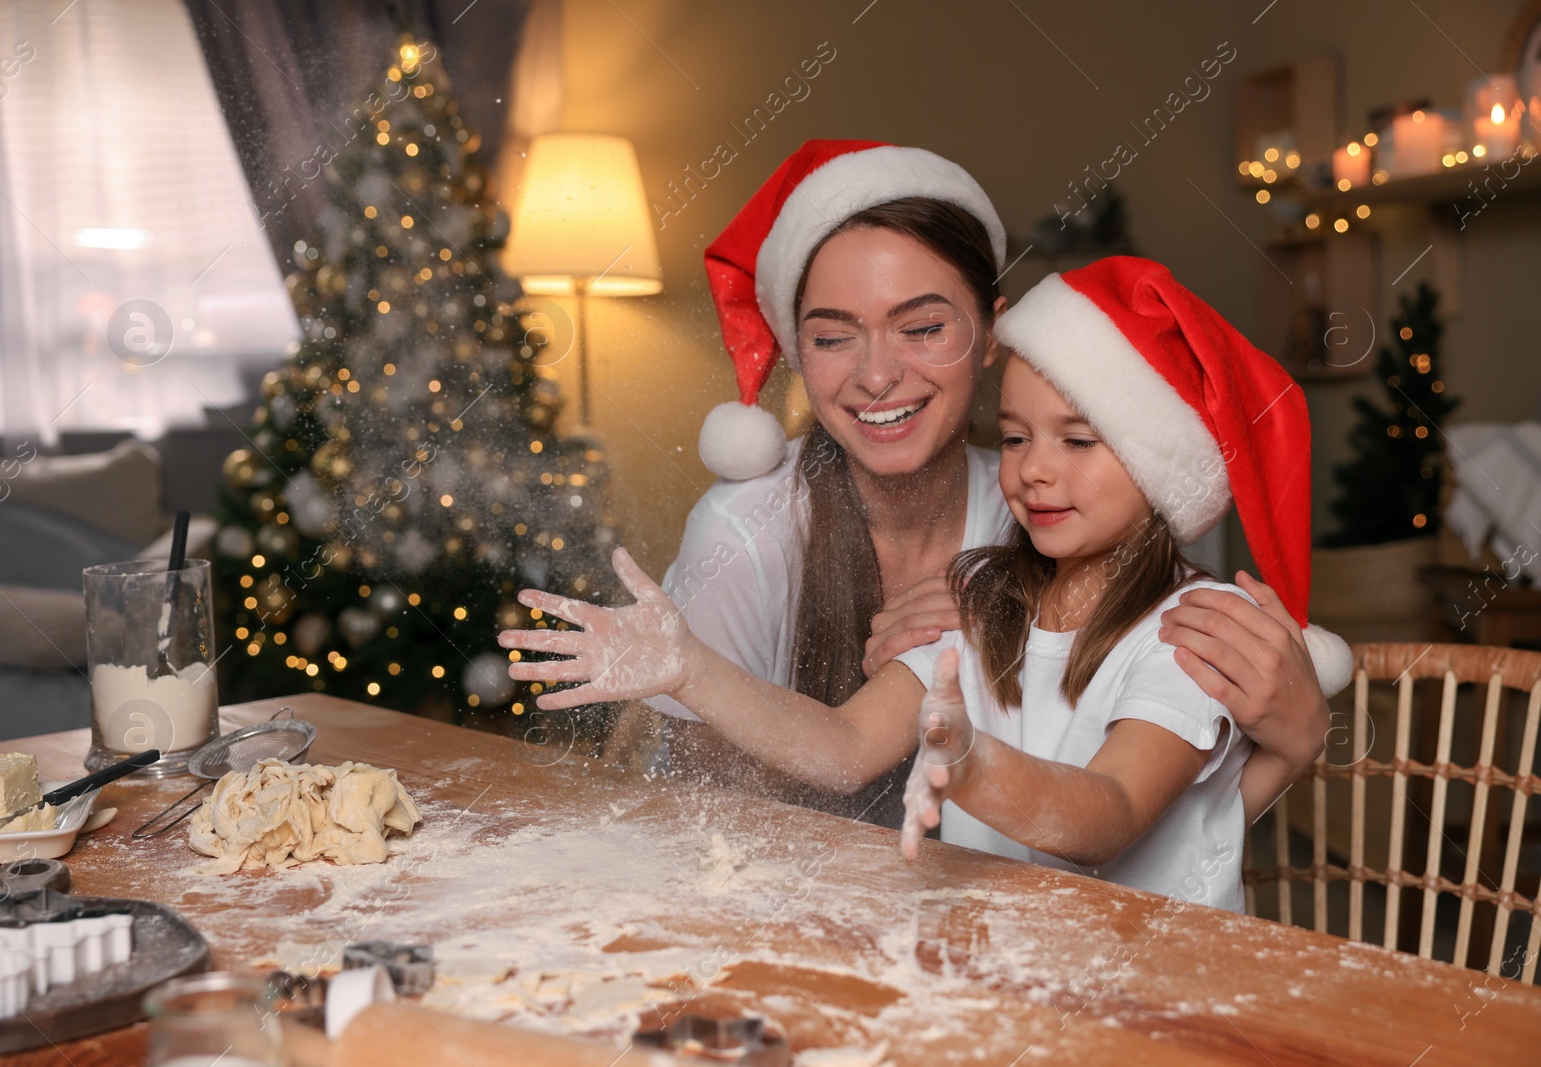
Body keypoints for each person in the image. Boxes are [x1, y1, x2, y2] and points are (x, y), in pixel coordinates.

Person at [500, 257, 1353, 911]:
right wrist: (689, 667)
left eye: (1080, 442)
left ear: (1161, 469)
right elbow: (839, 749)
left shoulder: (1198, 628)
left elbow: (1108, 815)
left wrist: (971, 763)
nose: (1035, 473)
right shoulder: (982, 594)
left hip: (1161, 989)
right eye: (1015, 439)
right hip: (1012, 968)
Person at [614, 141, 1342, 829]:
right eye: (833, 336)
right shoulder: (746, 535)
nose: (876, 375)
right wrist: (906, 729)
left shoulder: (1045, 527)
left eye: (922, 327)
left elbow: (1157, 836)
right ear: (798, 353)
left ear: (993, 331)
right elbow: (704, 808)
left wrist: (1292, 744)